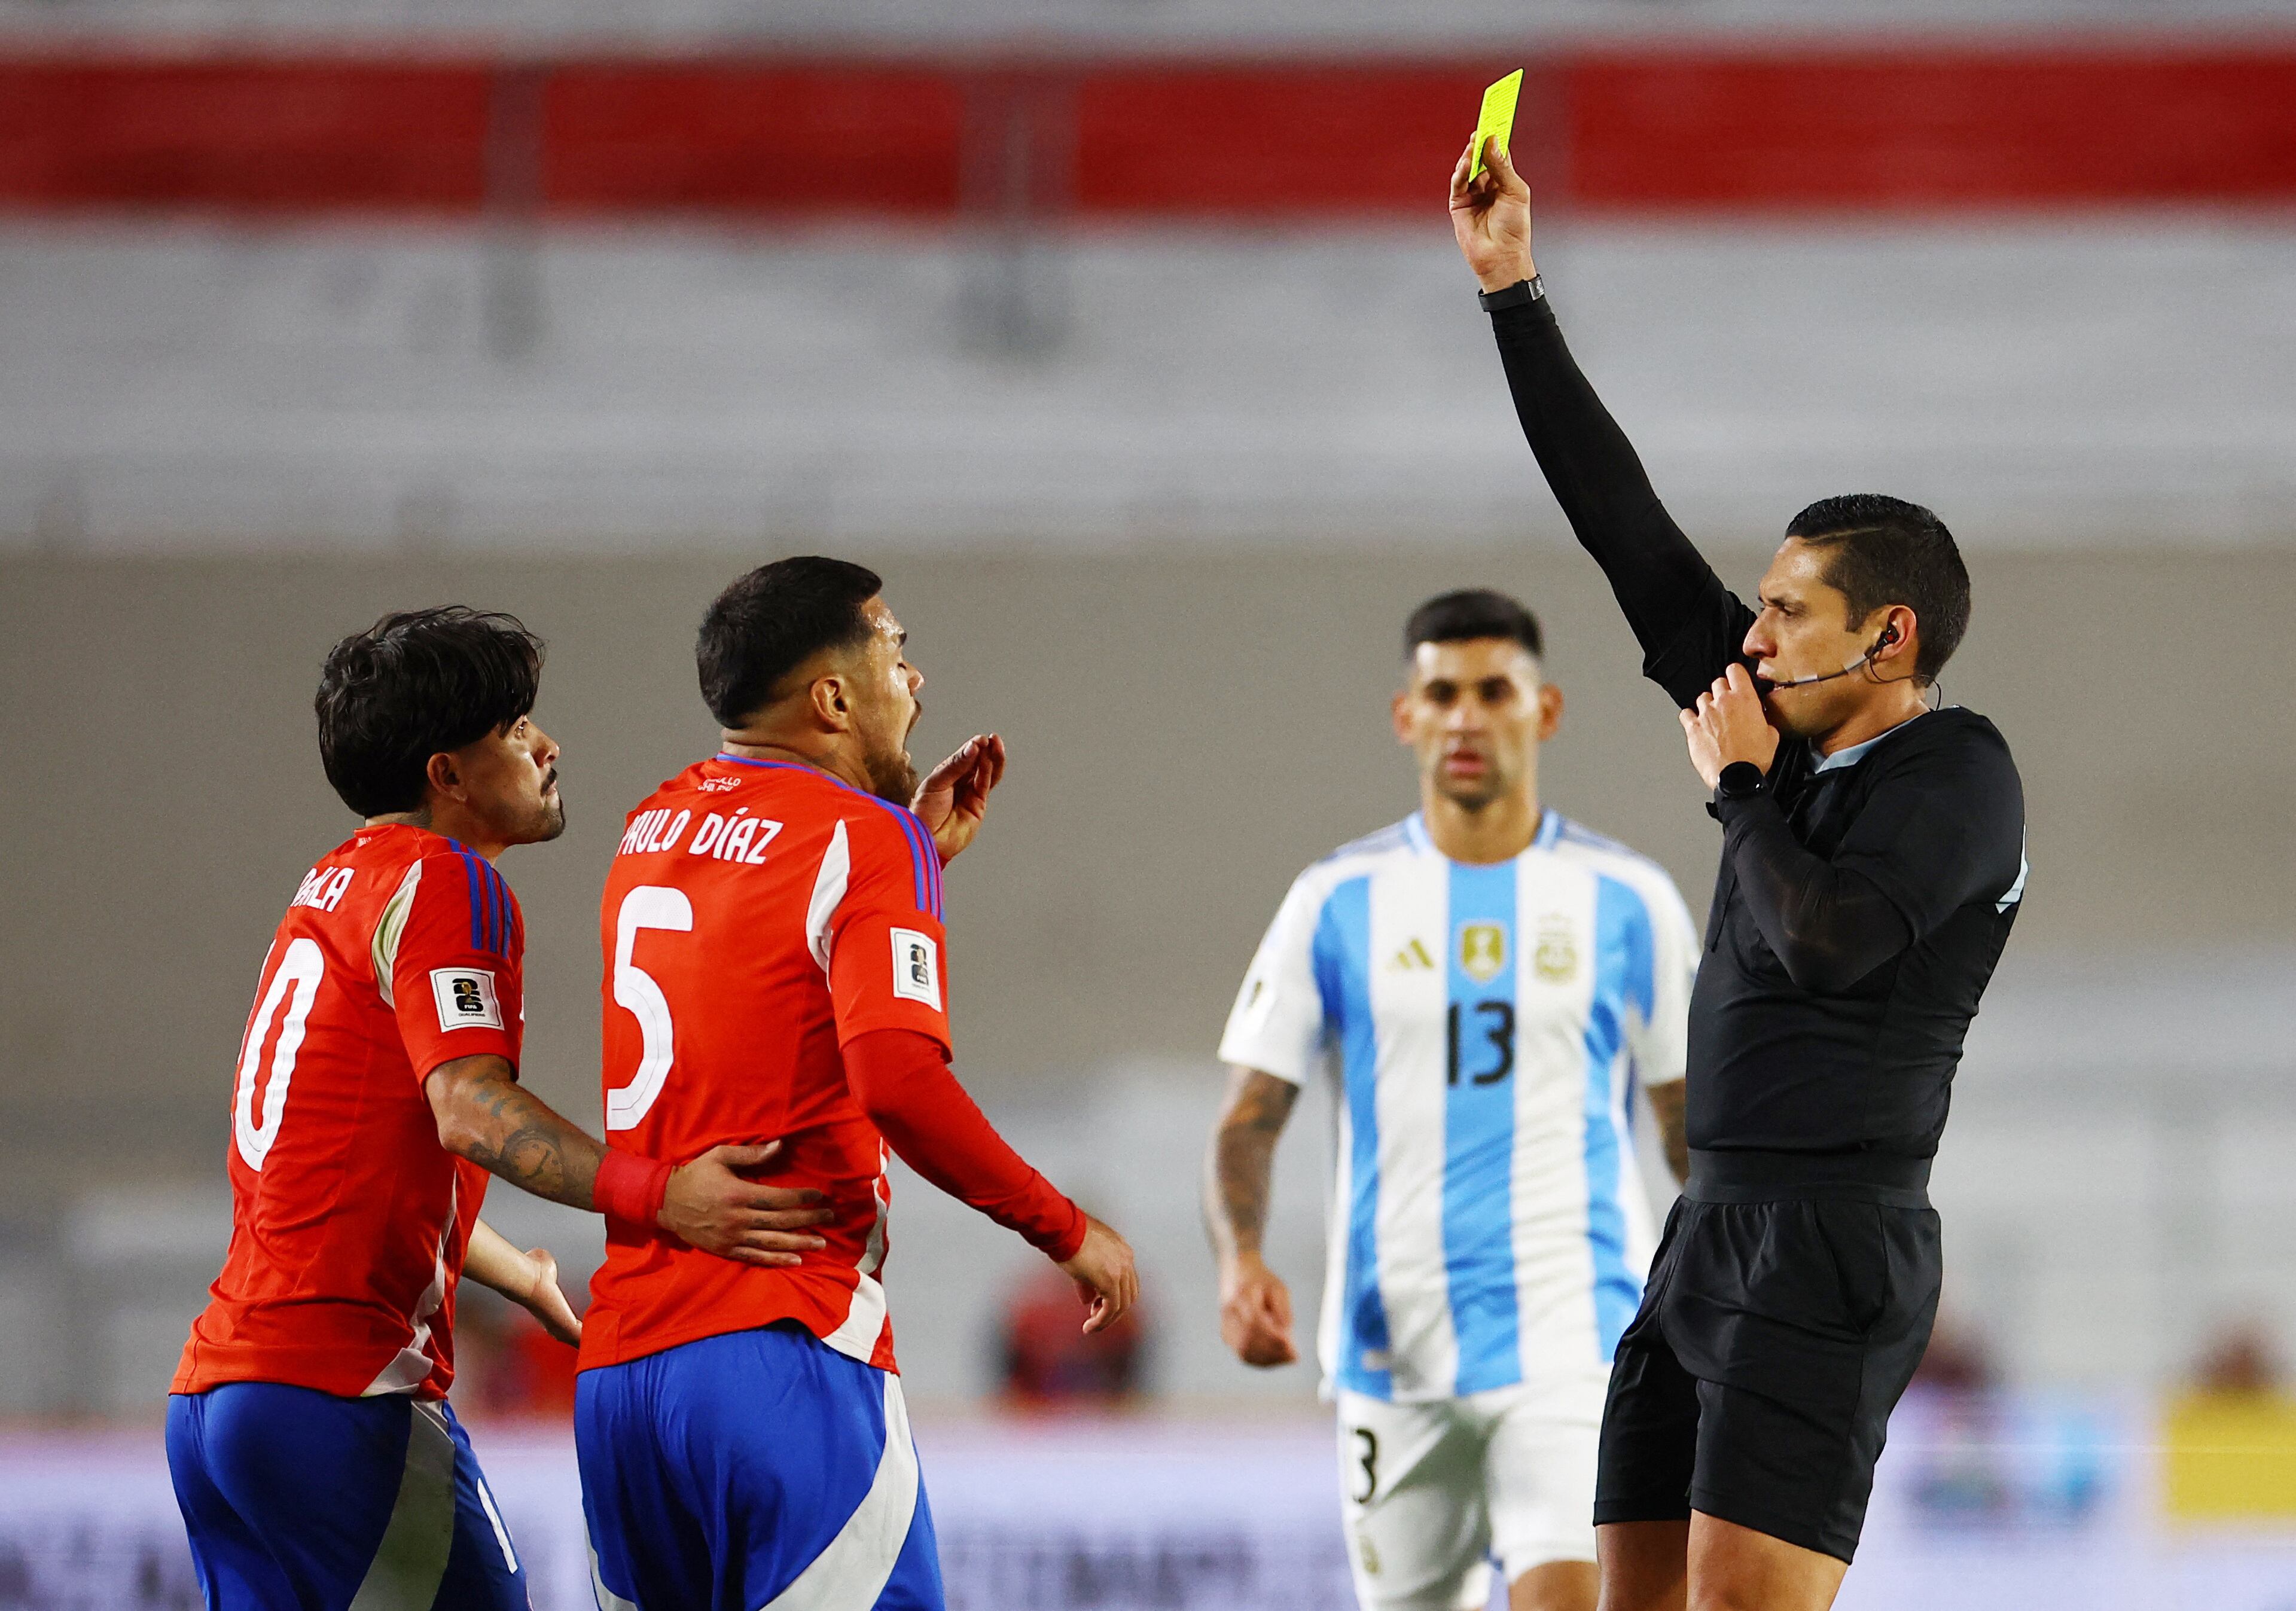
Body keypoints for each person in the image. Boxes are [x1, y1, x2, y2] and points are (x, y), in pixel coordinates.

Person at [1450, 138, 2029, 1611]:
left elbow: (1831, 943)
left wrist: (1739, 792)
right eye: (1755, 610)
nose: (1752, 641)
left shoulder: (1959, 775)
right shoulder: (1766, 721)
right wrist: (1512, 290)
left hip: (1837, 1241)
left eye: (1786, 612)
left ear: (1888, 638)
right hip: (1706, 1230)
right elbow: (1622, 526)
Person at [166, 606, 826, 1611]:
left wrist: (519, 1272)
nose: (547, 746)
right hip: (337, 1392)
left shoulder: (333, 886)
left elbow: (334, 1158)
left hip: (218, 1402)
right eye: (517, 728)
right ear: (448, 773)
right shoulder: (448, 881)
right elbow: (470, 1110)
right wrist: (664, 1196)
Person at [575, 556, 1139, 1611]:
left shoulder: (654, 823)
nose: (916, 679)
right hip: (782, 1348)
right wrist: (1065, 1227)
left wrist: (916, 850)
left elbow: (762, 968)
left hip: (625, 1381)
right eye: (895, 650)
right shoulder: (864, 841)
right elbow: (898, 1080)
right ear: (832, 695)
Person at [1207, 589, 1698, 1611]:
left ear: (1545, 709)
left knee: (1569, 1597)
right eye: (1442, 692)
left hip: (1579, 1334)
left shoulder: (1627, 899)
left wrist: (1734, 1287)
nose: (1467, 716)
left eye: (1493, 691)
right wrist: (1240, 1260)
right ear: (1407, 716)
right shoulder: (1335, 900)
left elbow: (1689, 1124)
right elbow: (1250, 1116)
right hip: (1393, 1348)